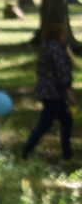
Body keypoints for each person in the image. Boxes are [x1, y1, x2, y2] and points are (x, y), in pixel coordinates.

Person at [20, 29, 75, 165]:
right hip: (54, 93)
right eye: (62, 34)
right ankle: (26, 151)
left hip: (47, 92)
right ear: (58, 35)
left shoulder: (45, 49)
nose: (64, 36)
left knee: (66, 121)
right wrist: (68, 91)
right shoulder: (56, 50)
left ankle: (67, 153)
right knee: (45, 124)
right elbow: (61, 71)